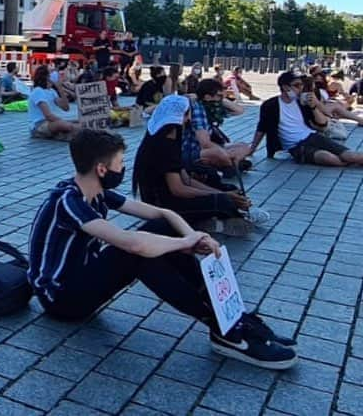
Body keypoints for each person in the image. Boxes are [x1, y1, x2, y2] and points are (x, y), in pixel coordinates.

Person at [28, 128, 296, 370]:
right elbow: (132, 243)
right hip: (61, 298)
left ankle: (232, 318)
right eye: (120, 163)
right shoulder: (69, 201)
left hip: (83, 277)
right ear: (101, 169)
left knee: (161, 229)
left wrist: (194, 237)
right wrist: (183, 244)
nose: (123, 168)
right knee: (135, 253)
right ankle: (222, 328)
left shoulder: (96, 192)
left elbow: (164, 213)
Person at [134, 95, 267, 236]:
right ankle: (212, 222)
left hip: (172, 197)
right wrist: (221, 195)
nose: (190, 119)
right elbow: (178, 189)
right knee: (223, 201)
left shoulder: (170, 138)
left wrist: (222, 192)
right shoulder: (163, 145)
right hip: (162, 204)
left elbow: (186, 180)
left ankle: (229, 213)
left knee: (229, 190)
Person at [249, 71, 363, 166]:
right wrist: (252, 148)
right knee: (329, 158)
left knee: (351, 155)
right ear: (285, 87)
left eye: (301, 85)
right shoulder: (271, 105)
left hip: (312, 136)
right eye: (297, 85)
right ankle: (348, 162)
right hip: (295, 146)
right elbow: (262, 128)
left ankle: (351, 161)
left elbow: (323, 124)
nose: (300, 88)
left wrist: (314, 106)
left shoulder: (302, 102)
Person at [182, 79, 253, 174]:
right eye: (219, 96)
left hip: (204, 148)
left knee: (244, 146)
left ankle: (229, 164)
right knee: (218, 153)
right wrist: (223, 152)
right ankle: (231, 165)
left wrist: (222, 98)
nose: (221, 98)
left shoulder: (212, 107)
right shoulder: (198, 109)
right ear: (207, 97)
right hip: (191, 150)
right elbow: (205, 143)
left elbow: (239, 110)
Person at [28, 65, 79, 140]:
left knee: (78, 121)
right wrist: (65, 122)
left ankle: (71, 133)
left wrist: (60, 88)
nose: (55, 73)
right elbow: (48, 115)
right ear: (46, 76)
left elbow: (66, 107)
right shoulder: (38, 91)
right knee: (66, 125)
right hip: (39, 125)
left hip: (50, 122)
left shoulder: (51, 91)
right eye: (51, 72)